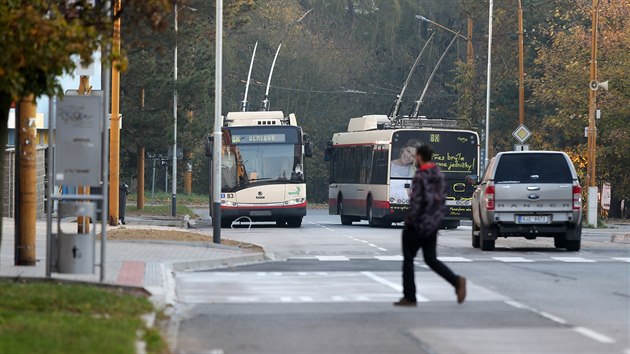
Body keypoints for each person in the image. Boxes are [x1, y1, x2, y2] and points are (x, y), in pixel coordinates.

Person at [394, 144, 467, 307]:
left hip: (418, 225)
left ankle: (410, 297)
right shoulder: (438, 174)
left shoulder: (420, 176)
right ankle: (456, 281)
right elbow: (440, 201)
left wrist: (410, 221)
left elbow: (418, 202)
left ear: (419, 157)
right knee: (431, 259)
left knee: (408, 260)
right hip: (433, 225)